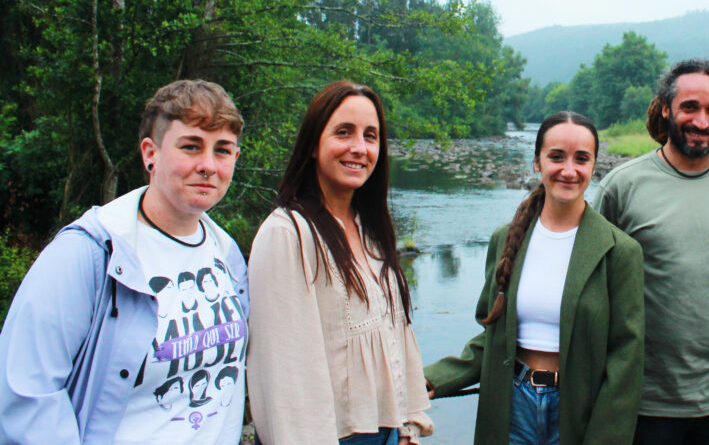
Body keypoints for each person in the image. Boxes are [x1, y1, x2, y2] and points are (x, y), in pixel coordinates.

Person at [0, 79, 249, 444]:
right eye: (191, 147)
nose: (208, 165)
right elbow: (25, 394)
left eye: (222, 150)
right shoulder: (90, 253)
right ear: (151, 153)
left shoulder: (226, 254)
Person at [424, 111, 645, 444]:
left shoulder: (619, 252)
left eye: (581, 159)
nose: (568, 170)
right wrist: (434, 379)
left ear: (594, 166)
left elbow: (625, 362)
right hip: (510, 406)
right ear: (537, 163)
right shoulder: (505, 240)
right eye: (556, 157)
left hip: (578, 413)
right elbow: (492, 337)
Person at [594, 59, 709, 444]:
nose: (702, 121)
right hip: (645, 399)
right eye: (689, 107)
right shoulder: (621, 188)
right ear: (665, 108)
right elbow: (592, 287)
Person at [247, 80, 432, 445]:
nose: (359, 148)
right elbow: (284, 374)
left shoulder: (372, 230)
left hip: (387, 431)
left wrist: (408, 424)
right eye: (343, 133)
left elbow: (395, 335)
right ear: (313, 145)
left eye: (371, 135)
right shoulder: (288, 236)